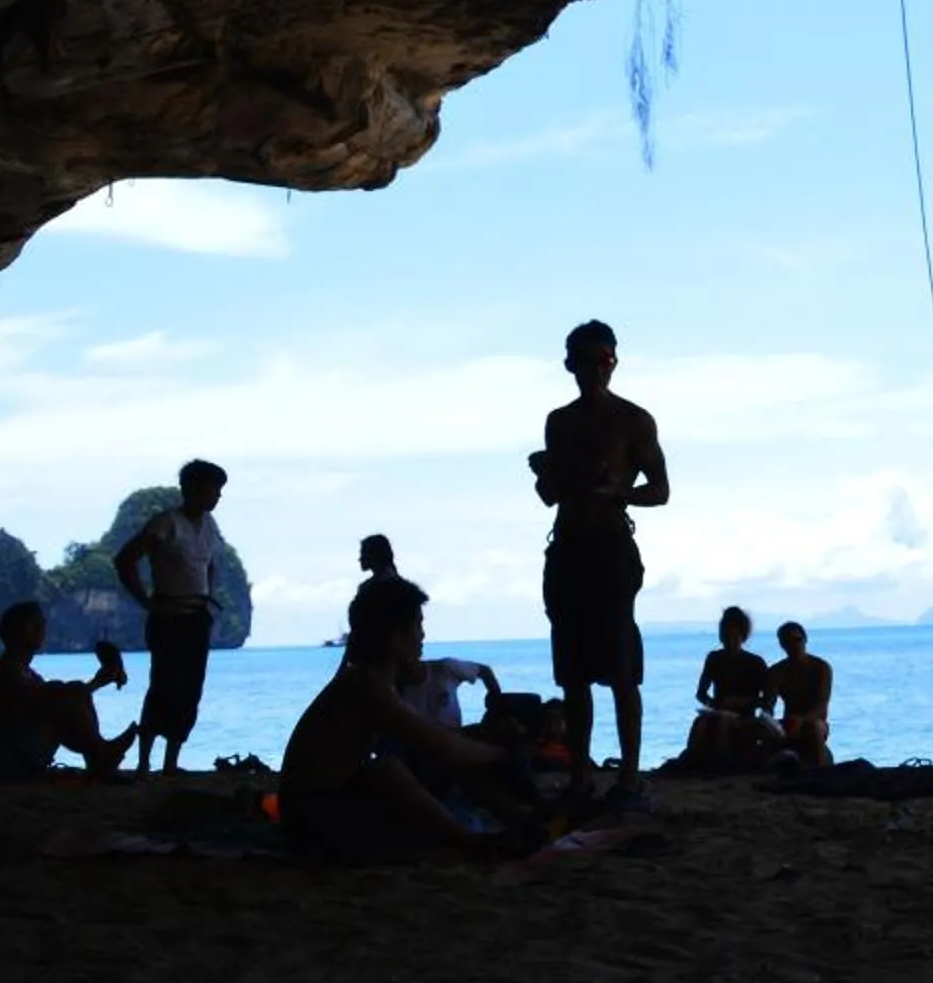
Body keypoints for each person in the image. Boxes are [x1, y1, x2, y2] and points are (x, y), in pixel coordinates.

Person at [278, 575, 526, 861]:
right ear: (396, 637)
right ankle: (472, 843)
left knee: (429, 761)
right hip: (313, 824)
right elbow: (444, 747)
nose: (423, 636)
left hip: (325, 813)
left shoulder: (369, 682)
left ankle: (523, 817)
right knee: (387, 770)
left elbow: (434, 740)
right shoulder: (366, 688)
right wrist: (503, 753)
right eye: (418, 624)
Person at [528, 319, 668, 804]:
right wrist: (546, 471)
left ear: (614, 361)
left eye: (603, 359)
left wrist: (619, 492)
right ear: (570, 364)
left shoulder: (634, 420)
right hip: (568, 547)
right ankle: (580, 778)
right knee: (573, 671)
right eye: (586, 360)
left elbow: (662, 490)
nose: (594, 369)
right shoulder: (559, 422)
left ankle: (628, 777)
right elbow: (549, 495)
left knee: (621, 667)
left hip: (610, 549)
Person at [113, 457, 227, 774]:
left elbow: (209, 563)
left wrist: (207, 593)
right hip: (170, 616)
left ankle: (171, 762)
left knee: (191, 689)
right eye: (213, 488)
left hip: (197, 616)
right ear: (192, 488)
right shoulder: (167, 523)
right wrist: (149, 603)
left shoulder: (208, 527)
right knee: (164, 685)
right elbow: (125, 560)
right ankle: (145, 761)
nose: (218, 495)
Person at [0, 601, 136, 778]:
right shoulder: (5, 671)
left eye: (41, 624)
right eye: (34, 625)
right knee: (70, 691)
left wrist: (96, 683)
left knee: (73, 692)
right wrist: (94, 684)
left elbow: (52, 700)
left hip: (9, 754)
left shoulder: (23, 672)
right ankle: (100, 755)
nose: (41, 629)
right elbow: (46, 700)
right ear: (14, 633)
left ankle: (97, 757)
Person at [680, 606, 781, 769]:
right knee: (700, 723)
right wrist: (714, 704)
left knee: (722, 723)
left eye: (733, 635)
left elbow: (768, 700)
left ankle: (723, 765)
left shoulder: (755, 662)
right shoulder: (714, 658)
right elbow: (700, 693)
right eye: (725, 635)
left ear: (742, 636)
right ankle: (691, 761)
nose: (729, 640)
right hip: (720, 710)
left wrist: (744, 702)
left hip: (745, 715)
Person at [763, 620, 834, 768]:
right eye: (788, 641)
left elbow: (822, 705)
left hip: (815, 721)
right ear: (782, 645)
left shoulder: (821, 667)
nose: (794, 645)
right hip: (789, 721)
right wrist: (768, 722)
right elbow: (769, 704)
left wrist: (801, 720)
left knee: (813, 728)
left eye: (798, 640)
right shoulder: (777, 672)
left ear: (805, 639)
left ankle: (820, 773)